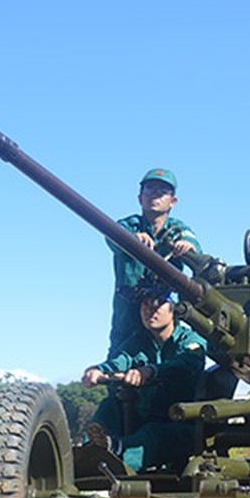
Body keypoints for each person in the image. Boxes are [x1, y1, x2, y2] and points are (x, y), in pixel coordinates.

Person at [83, 277, 206, 473]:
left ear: (173, 309)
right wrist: (99, 370)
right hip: (144, 418)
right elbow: (121, 359)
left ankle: (116, 454)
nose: (150, 310)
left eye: (158, 304)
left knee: (153, 435)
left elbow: (186, 364)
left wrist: (151, 371)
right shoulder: (139, 341)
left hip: (180, 423)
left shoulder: (190, 340)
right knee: (110, 406)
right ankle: (88, 453)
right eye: (145, 304)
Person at [108, 168, 202, 358]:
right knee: (120, 366)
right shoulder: (126, 226)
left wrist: (187, 246)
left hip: (162, 315)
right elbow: (112, 238)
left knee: (167, 366)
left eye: (162, 192)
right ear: (140, 198)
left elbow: (196, 249)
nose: (154, 195)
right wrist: (132, 240)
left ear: (172, 201)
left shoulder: (179, 230)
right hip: (128, 316)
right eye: (149, 190)